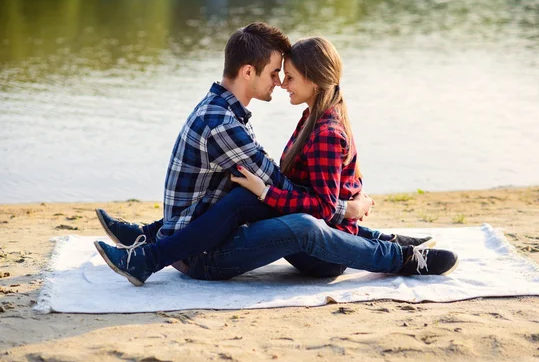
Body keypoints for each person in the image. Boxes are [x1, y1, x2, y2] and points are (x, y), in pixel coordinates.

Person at [93, 30, 458, 286]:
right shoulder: (247, 119)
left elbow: (302, 195)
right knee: (252, 197)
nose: (281, 82)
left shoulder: (314, 127)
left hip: (320, 246)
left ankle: (402, 258)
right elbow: (286, 183)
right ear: (248, 71)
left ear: (314, 82)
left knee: (296, 221)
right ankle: (147, 247)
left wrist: (328, 207)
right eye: (276, 73)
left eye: (289, 76)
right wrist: (334, 207)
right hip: (207, 246)